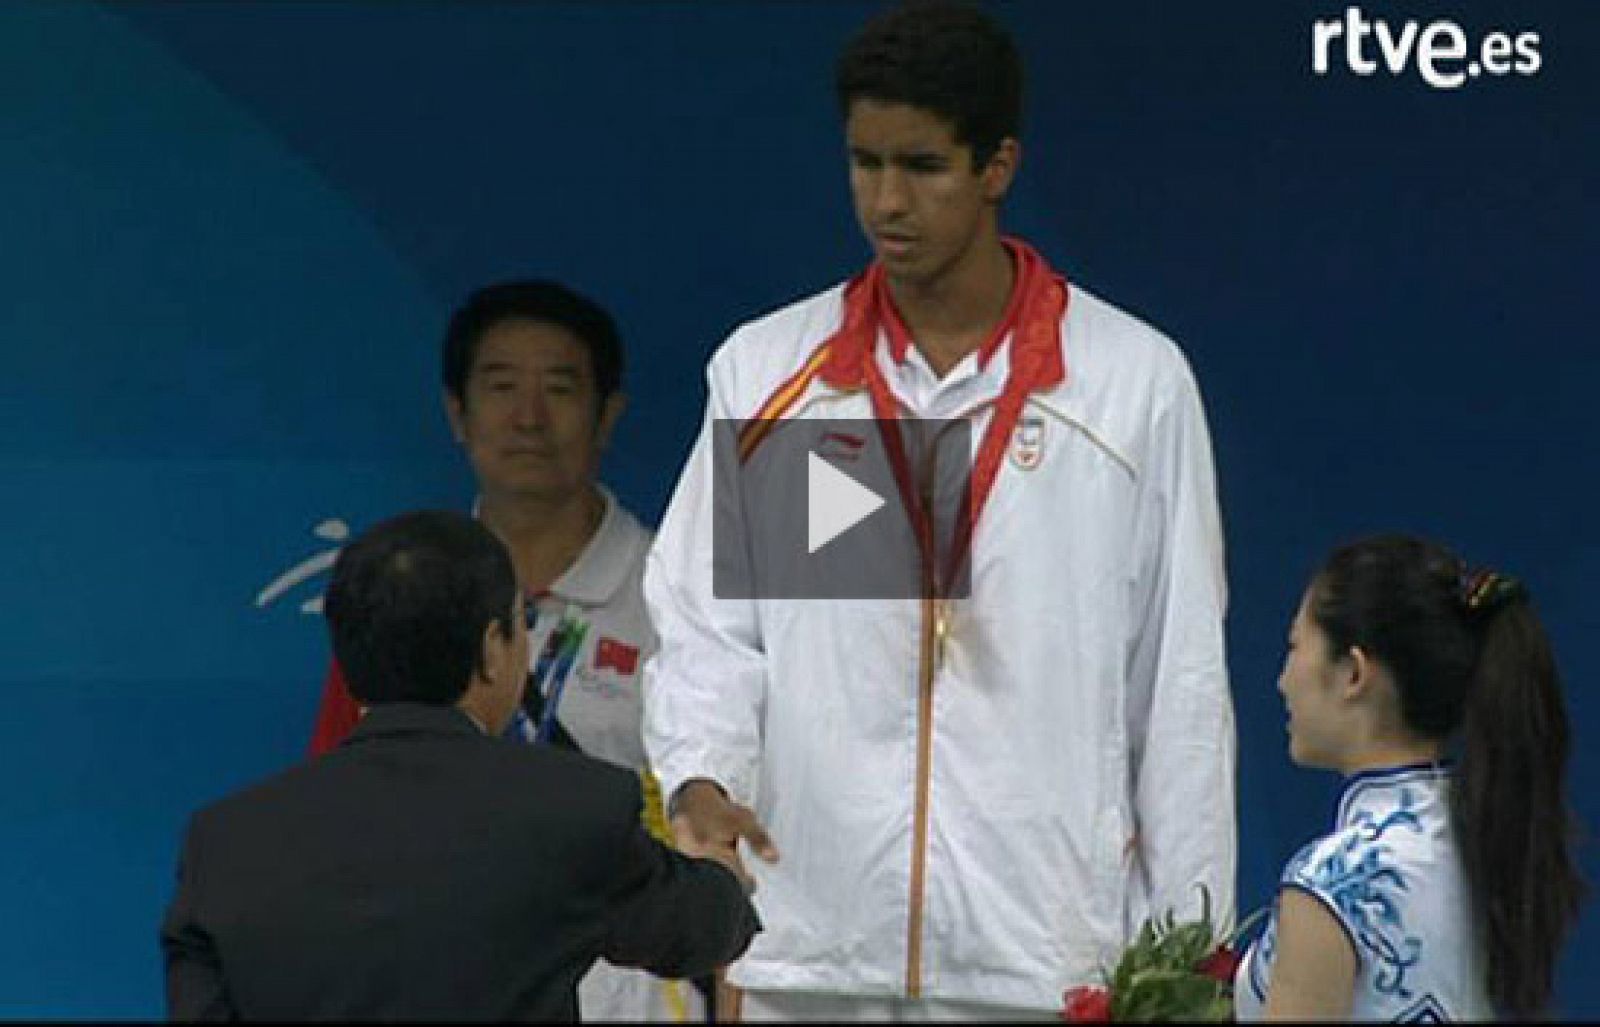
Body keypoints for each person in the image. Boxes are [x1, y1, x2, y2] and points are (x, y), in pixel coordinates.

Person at [643, 1, 1237, 1018]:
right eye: (864, 162)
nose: (887, 201)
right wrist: (701, 780)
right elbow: (708, 631)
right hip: (811, 952)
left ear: (997, 165)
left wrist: (1187, 960)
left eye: (922, 166)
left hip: (1044, 962)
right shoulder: (775, 373)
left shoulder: (1130, 384)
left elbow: (1177, 684)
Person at [161, 511, 759, 1021]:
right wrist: (721, 863)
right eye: (520, 625)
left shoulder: (223, 848)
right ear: (493, 649)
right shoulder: (573, 816)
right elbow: (705, 928)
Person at [304, 278, 710, 1021]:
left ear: (608, 414)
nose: (529, 417)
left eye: (559, 388)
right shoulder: (395, 598)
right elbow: (335, 814)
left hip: (627, 990)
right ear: (456, 413)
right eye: (500, 387)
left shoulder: (678, 596)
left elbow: (728, 825)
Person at [1234, 534, 1586, 1021]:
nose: (1281, 681)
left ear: (1353, 673)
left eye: (1295, 647)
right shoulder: (1488, 842)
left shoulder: (1333, 883)